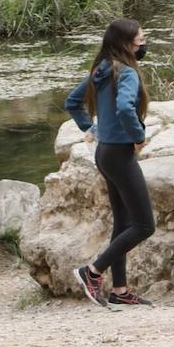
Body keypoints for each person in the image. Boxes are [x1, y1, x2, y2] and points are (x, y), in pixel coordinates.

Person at [65, 18, 156, 308]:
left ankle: (119, 290)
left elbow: (72, 102)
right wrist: (138, 135)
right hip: (119, 154)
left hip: (104, 152)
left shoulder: (102, 69)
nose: (143, 44)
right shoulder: (127, 72)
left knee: (123, 223)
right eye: (140, 41)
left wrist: (90, 129)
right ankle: (92, 272)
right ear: (126, 44)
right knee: (144, 225)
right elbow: (125, 107)